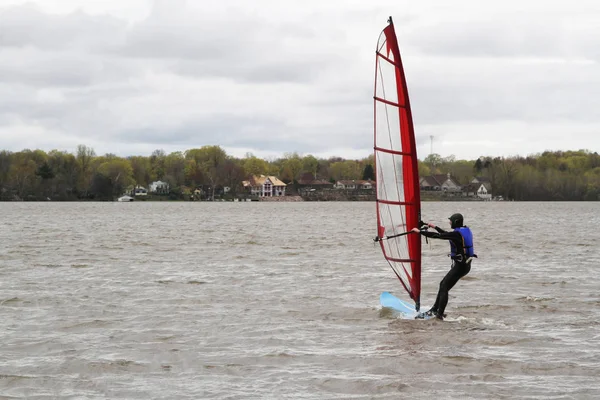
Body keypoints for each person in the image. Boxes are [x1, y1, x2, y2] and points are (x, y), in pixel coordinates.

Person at [411, 213, 476, 320]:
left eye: (451, 221)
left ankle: (439, 314)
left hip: (460, 267)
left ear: (455, 222)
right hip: (465, 265)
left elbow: (439, 236)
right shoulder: (462, 231)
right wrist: (433, 226)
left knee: (444, 286)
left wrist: (420, 232)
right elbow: (446, 234)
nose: (449, 222)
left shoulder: (457, 234)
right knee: (443, 285)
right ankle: (435, 310)